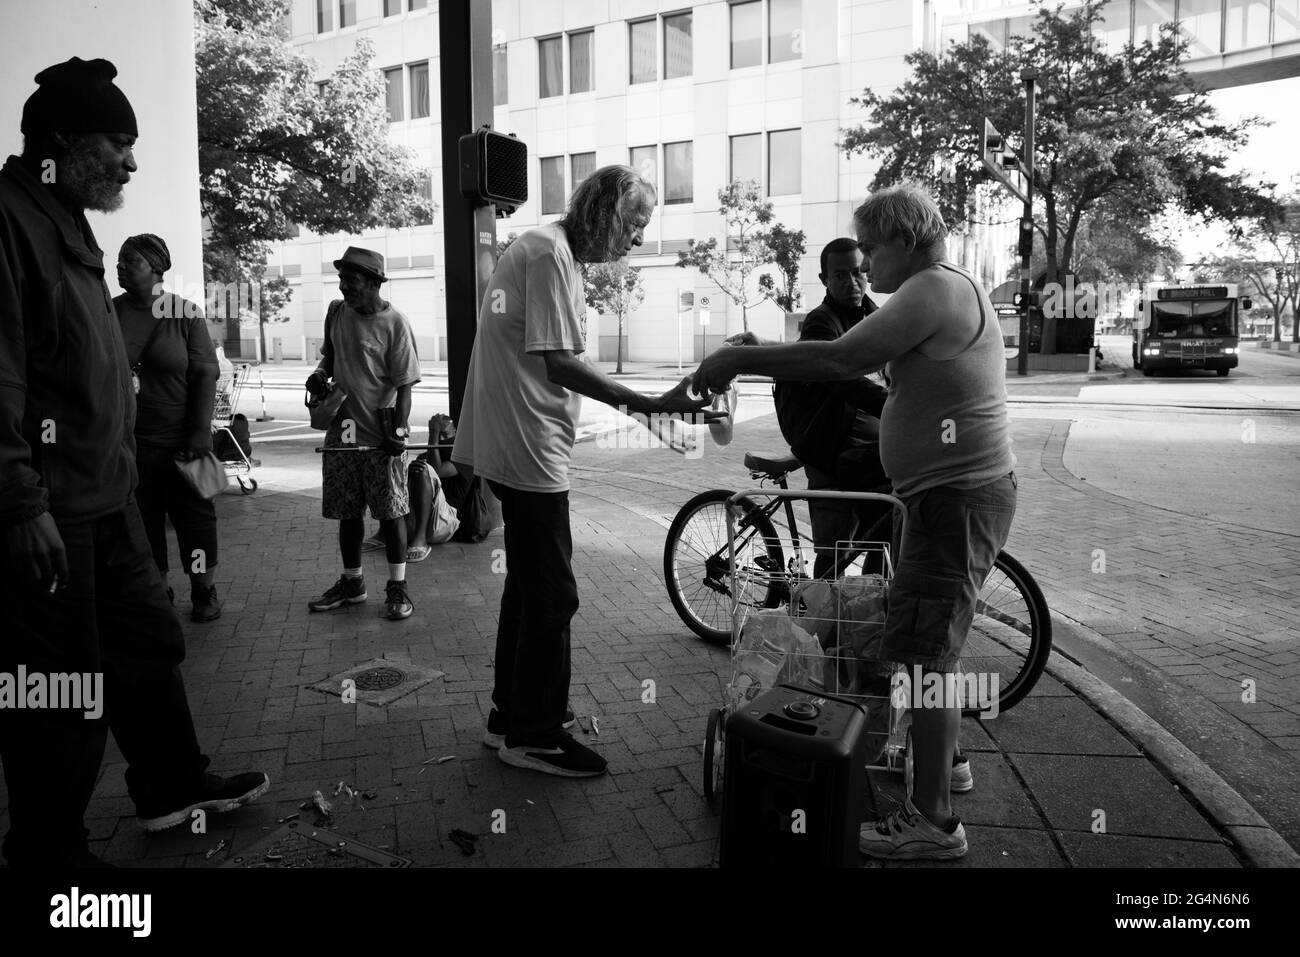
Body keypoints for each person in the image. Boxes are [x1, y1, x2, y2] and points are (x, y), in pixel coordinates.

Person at [693, 185, 1016, 860]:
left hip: (952, 501)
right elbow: (893, 393)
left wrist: (738, 359)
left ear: (904, 238)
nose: (864, 263)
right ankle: (945, 765)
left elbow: (841, 361)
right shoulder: (940, 290)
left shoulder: (930, 289)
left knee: (927, 655)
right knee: (924, 647)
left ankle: (934, 822)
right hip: (943, 498)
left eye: (870, 246)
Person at [0, 57, 269, 868]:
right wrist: (19, 501)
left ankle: (171, 787)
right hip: (54, 515)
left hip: (108, 499)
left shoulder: (67, 216)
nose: (130, 160)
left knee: (148, 647)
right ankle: (47, 852)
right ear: (64, 142)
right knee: (60, 691)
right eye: (117, 142)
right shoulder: (10, 221)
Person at [452, 165, 713, 778]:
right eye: (634, 223)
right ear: (602, 210)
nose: (636, 239)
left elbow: (556, 356)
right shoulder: (547, 254)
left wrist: (647, 411)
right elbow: (558, 361)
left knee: (527, 585)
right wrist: (646, 405)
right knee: (553, 593)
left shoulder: (553, 253)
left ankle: (511, 715)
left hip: (522, 442)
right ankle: (535, 735)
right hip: (526, 446)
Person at [306, 247, 420, 621]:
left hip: (380, 436)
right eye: (341, 280)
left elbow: (404, 387)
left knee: (391, 513)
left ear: (373, 283)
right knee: (347, 513)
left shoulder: (395, 324)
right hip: (343, 434)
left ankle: (397, 588)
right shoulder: (337, 314)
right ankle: (352, 583)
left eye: (351, 281)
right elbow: (330, 358)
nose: (343, 288)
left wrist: (399, 433)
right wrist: (320, 375)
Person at [114, 233, 223, 621]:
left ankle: (203, 591)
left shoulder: (185, 314)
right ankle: (158, 590)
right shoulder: (111, 312)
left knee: (194, 521)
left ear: (157, 268)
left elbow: (206, 374)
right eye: (120, 260)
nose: (121, 266)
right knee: (143, 522)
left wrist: (198, 430)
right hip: (131, 444)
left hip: (182, 444)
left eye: (132, 261)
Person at [772, 238, 892, 579]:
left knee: (883, 538)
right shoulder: (821, 323)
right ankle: (825, 625)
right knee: (835, 551)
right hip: (831, 455)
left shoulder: (877, 315)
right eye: (840, 275)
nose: (851, 282)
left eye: (857, 273)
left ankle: (865, 606)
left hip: (870, 456)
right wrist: (895, 407)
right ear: (824, 279)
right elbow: (843, 380)